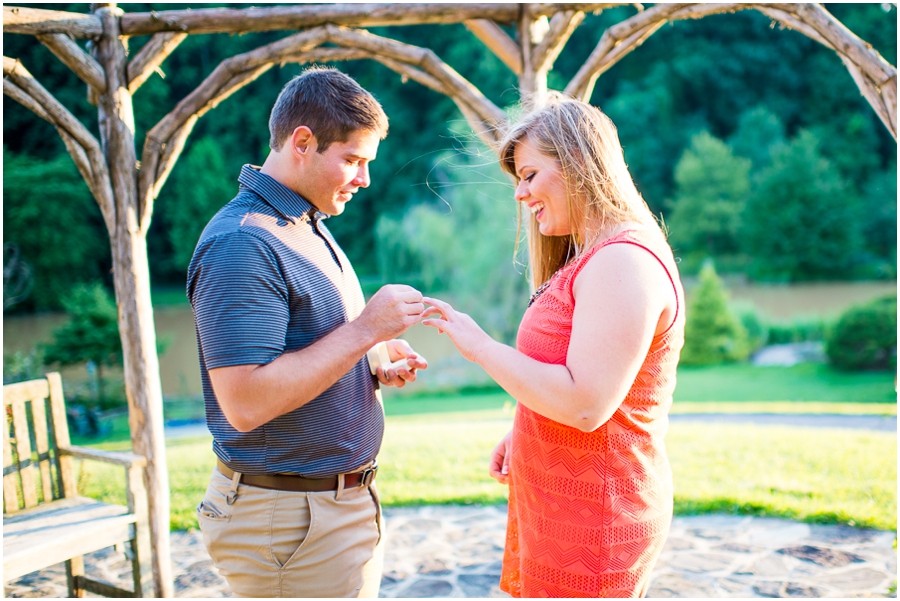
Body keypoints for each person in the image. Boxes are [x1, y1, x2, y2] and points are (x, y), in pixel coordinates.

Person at [422, 96, 685, 597]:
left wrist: (478, 346)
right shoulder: (591, 254)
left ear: (578, 164)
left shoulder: (621, 262)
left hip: (597, 518)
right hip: (561, 505)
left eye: (529, 175)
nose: (520, 194)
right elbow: (571, 372)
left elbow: (586, 405)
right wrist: (526, 427)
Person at [187, 67, 428, 598]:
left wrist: (374, 354)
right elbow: (246, 401)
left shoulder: (305, 224)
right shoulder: (243, 243)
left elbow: (311, 345)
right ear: (302, 142)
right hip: (290, 521)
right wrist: (366, 328)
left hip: (320, 514)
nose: (364, 178)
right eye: (353, 160)